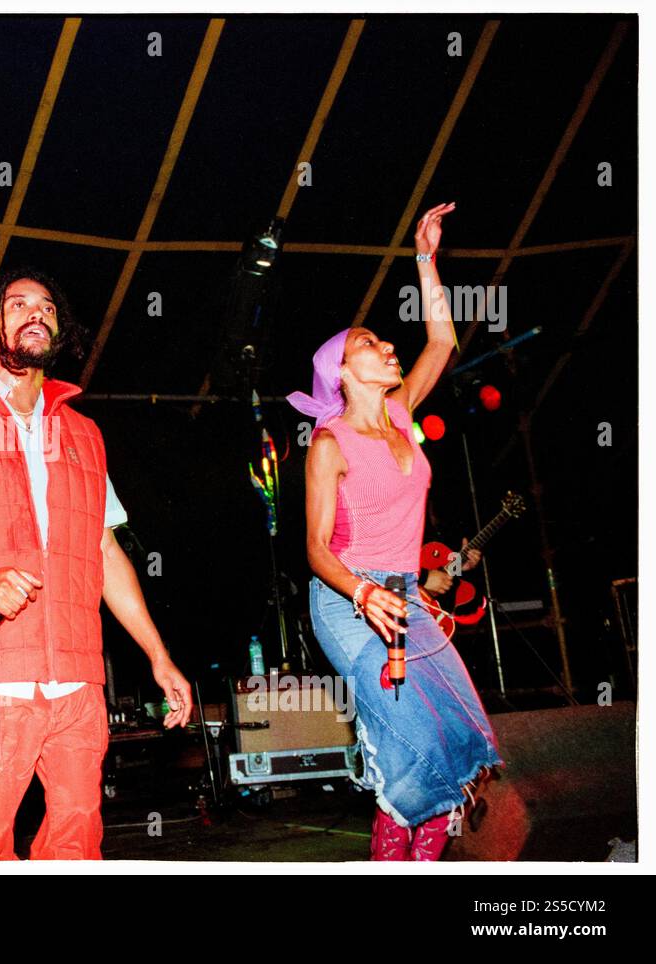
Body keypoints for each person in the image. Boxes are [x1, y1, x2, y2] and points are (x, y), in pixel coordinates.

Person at [0, 266, 192, 861]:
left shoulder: (83, 434)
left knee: (76, 843)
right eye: (17, 305)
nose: (35, 313)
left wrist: (158, 655)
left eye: (46, 306)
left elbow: (103, 551)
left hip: (76, 681)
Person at [290, 202, 503, 861]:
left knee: (451, 746)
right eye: (370, 346)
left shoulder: (403, 411)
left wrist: (425, 259)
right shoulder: (329, 444)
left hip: (408, 601)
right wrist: (361, 592)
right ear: (343, 374)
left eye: (384, 341)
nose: (387, 347)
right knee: (410, 746)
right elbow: (316, 551)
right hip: (350, 605)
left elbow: (440, 341)